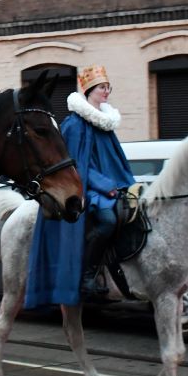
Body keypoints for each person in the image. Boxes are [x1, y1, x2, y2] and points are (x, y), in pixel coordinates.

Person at [24, 65, 136, 307]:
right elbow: (77, 166)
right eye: (102, 87)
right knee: (107, 220)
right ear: (89, 90)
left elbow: (113, 161)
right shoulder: (74, 124)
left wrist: (125, 184)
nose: (106, 91)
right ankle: (87, 276)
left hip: (110, 187)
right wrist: (106, 186)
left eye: (108, 87)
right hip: (85, 189)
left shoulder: (104, 123)